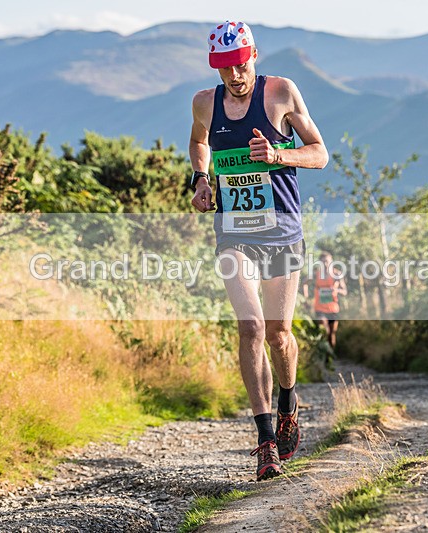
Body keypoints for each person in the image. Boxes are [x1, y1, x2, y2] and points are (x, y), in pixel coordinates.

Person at [189, 20, 328, 481]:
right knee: (250, 327)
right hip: (233, 232)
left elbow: (319, 153)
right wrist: (201, 179)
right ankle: (266, 440)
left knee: (278, 334)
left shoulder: (281, 93)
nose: (234, 74)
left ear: (254, 56)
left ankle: (288, 401)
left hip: (282, 232)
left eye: (240, 63)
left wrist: (278, 156)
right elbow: (199, 141)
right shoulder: (205, 102)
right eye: (224, 67)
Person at [303, 251, 347, 349]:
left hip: (333, 308)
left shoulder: (337, 274)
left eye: (327, 262)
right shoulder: (316, 274)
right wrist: (306, 299)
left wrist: (336, 290)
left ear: (332, 262)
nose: (326, 264)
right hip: (320, 308)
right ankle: (323, 357)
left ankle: (330, 358)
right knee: (324, 330)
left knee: (331, 334)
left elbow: (345, 292)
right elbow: (304, 282)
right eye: (323, 262)